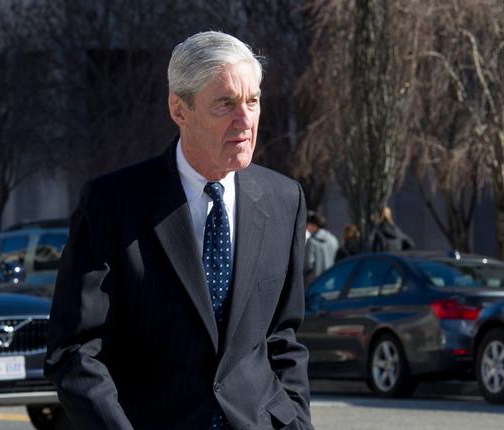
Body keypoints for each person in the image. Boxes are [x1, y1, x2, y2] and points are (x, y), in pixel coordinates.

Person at [44, 31, 312, 430]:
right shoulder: (112, 204)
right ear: (179, 109)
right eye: (226, 103)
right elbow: (76, 350)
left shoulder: (284, 199)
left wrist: (296, 422)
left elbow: (283, 339)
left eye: (252, 101)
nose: (245, 120)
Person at [303, 211, 338, 285]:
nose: (308, 227)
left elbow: (307, 264)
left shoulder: (311, 242)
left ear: (314, 225)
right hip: (331, 280)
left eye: (309, 224)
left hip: (315, 282)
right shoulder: (333, 239)